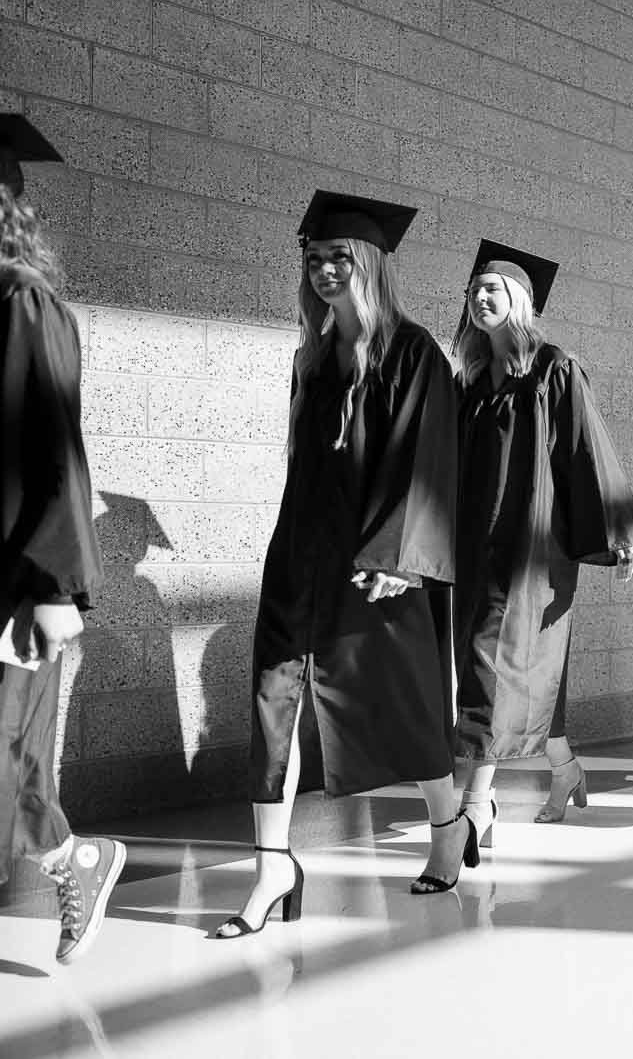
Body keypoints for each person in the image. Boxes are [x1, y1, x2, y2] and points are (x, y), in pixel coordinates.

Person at [216, 191, 464, 938]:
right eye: (315, 258)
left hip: (381, 563)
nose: (325, 270)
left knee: (407, 703)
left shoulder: (414, 352)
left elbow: (427, 461)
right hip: (301, 556)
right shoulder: (313, 360)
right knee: (273, 700)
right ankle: (271, 870)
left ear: (371, 264)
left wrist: (400, 555)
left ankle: (449, 824)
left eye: (339, 258)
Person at [0, 114, 127, 964]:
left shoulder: (20, 304)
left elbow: (48, 445)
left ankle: (76, 859)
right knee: (11, 762)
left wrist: (55, 585)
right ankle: (80, 858)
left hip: (4, 572)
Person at [450, 242, 633, 837]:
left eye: (494, 289)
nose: (482, 298)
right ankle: (564, 768)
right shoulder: (471, 380)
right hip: (473, 546)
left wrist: (617, 532)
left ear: (521, 302)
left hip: (533, 551)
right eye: (475, 289)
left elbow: (588, 447)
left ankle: (475, 805)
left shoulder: (555, 366)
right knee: (516, 671)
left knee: (492, 666)